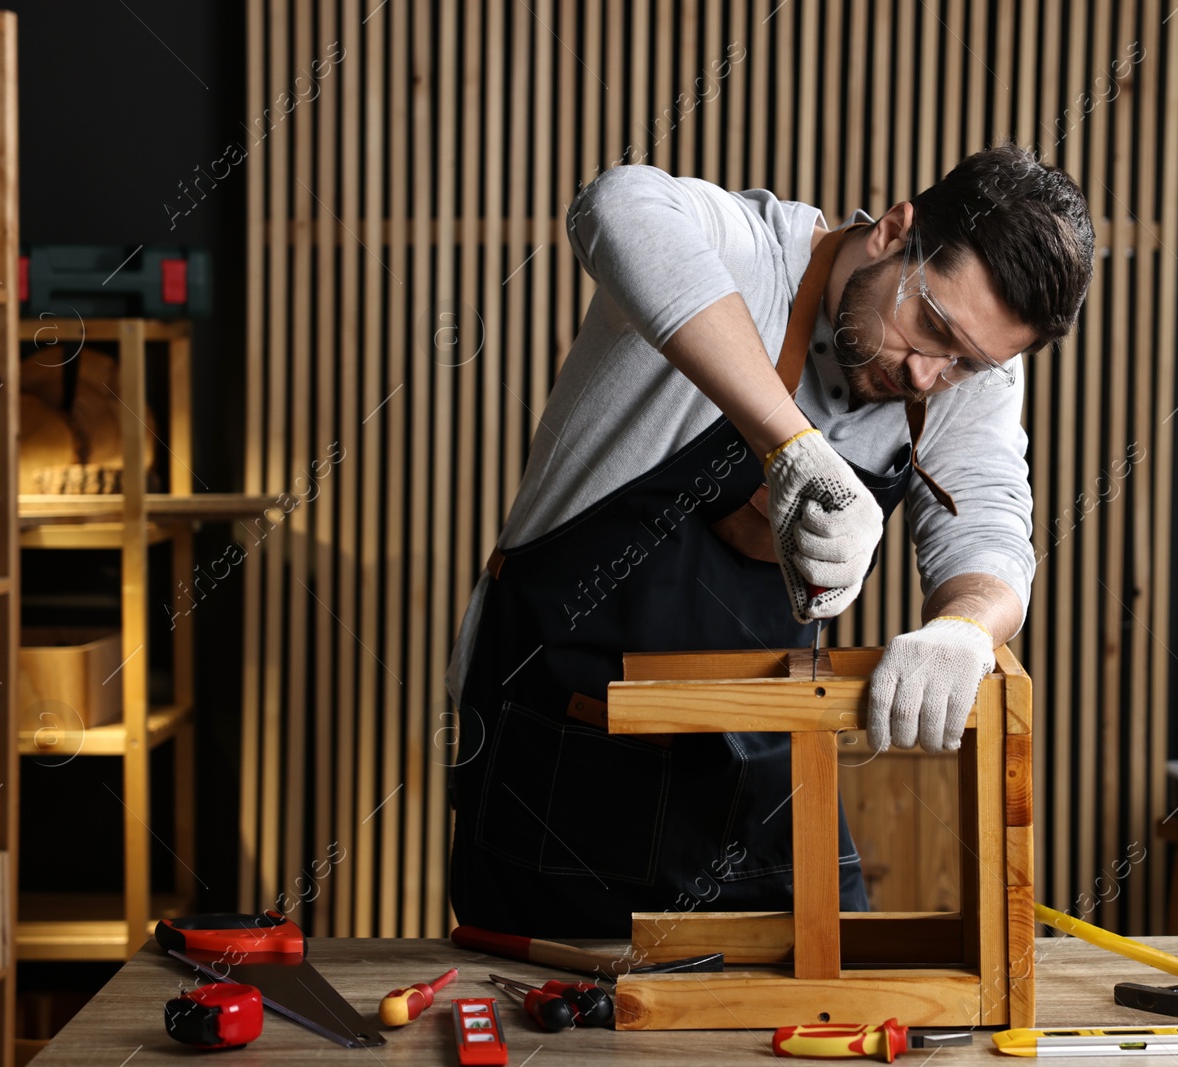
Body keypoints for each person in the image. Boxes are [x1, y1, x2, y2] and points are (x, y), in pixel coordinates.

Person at [446, 143, 1094, 938]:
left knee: (833, 1022)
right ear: (894, 231)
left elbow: (990, 521)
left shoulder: (966, 362)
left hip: (761, 767)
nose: (930, 376)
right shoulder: (751, 254)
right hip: (565, 757)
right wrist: (792, 445)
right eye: (929, 328)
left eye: (967, 363)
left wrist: (967, 627)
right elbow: (613, 205)